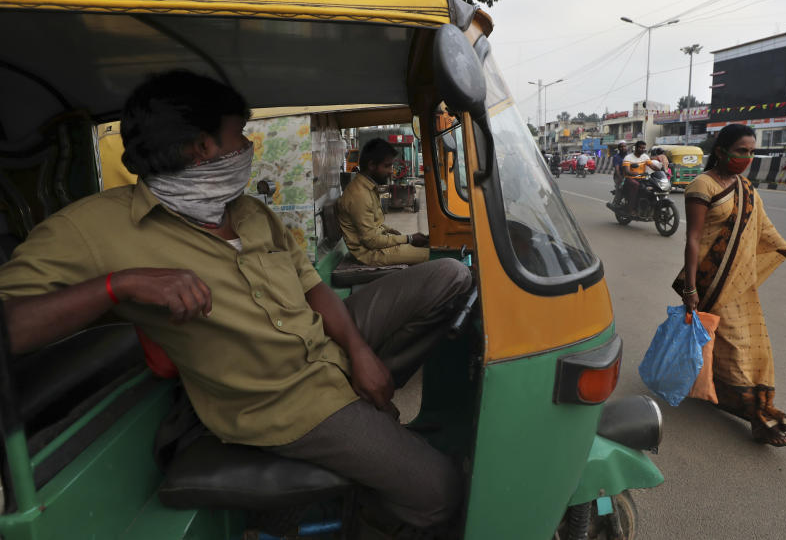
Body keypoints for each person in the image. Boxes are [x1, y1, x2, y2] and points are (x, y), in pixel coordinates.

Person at [0, 70, 472, 533]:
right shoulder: (90, 229)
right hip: (284, 402)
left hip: (325, 344)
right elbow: (9, 326)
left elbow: (312, 287)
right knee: (442, 495)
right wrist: (117, 286)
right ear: (202, 147)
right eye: (239, 137)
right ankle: (367, 507)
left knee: (450, 277)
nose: (247, 149)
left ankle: (367, 407)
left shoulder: (249, 211)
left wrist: (361, 353)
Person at [676, 123, 786, 447]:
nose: (748, 157)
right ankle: (758, 418)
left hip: (740, 287)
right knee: (738, 351)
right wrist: (691, 289)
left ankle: (727, 398)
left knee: (753, 352)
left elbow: (766, 231)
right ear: (723, 150)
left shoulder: (746, 188)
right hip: (711, 284)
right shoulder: (703, 185)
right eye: (742, 150)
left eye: (752, 152)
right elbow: (694, 239)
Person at [338, 138, 430, 266]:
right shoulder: (359, 196)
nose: (391, 171)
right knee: (431, 254)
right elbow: (371, 241)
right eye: (387, 166)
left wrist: (394, 233)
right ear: (371, 165)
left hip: (376, 247)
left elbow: (375, 224)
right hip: (370, 254)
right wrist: (408, 239)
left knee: (428, 245)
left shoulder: (368, 187)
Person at [621, 140, 661, 214]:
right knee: (636, 186)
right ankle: (631, 208)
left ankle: (650, 205)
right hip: (630, 178)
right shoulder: (628, 158)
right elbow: (626, 171)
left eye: (643, 148)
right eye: (640, 148)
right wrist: (634, 173)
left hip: (642, 178)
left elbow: (652, 166)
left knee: (654, 186)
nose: (642, 150)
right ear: (636, 148)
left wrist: (662, 171)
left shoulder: (645, 156)